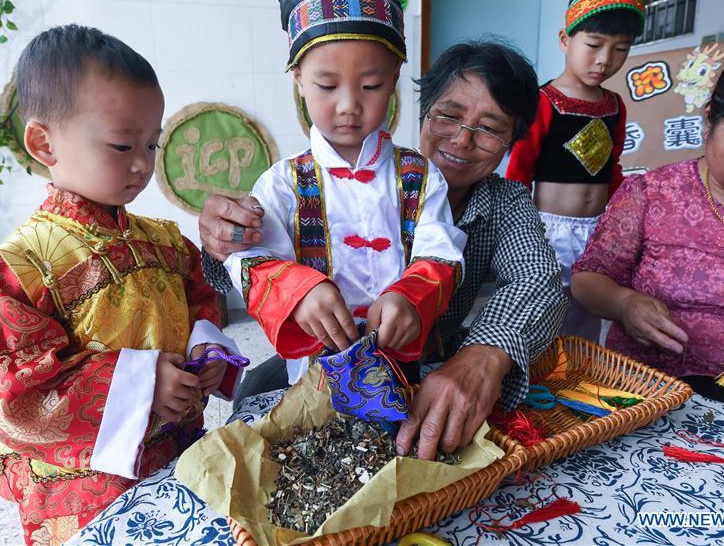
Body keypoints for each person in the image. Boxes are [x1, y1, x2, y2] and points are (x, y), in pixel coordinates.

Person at [201, 39, 568, 459]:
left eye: (490, 128)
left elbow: (538, 281)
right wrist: (225, 242)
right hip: (312, 369)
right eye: (449, 116)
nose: (463, 141)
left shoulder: (502, 201)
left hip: (416, 373)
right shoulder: (290, 180)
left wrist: (483, 354)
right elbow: (243, 259)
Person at [0, 25, 244, 544]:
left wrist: (206, 350)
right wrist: (137, 383)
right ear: (44, 142)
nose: (142, 164)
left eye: (151, 144)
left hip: (175, 450)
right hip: (87, 488)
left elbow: (201, 301)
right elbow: (5, 393)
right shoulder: (22, 266)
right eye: (121, 144)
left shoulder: (164, 241)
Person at [222, 0, 466, 385]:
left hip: (402, 363)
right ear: (298, 79)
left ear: (393, 79)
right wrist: (298, 291)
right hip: (316, 374)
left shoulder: (419, 176)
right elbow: (247, 258)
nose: (349, 105)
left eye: (371, 85)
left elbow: (440, 251)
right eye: (327, 85)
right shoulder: (282, 183)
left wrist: (411, 298)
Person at [572, 40, 724, 419]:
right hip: (651, 402)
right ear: (709, 122)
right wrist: (625, 305)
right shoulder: (653, 194)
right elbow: (589, 279)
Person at [505, 0, 646, 343]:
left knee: (586, 318)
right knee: (543, 309)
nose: (605, 60)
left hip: (598, 230)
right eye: (594, 45)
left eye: (620, 49)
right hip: (547, 229)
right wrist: (519, 229)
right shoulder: (544, 100)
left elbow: (612, 168)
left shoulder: (615, 104)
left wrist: (623, 219)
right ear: (565, 40)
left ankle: (576, 381)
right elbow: (520, 169)